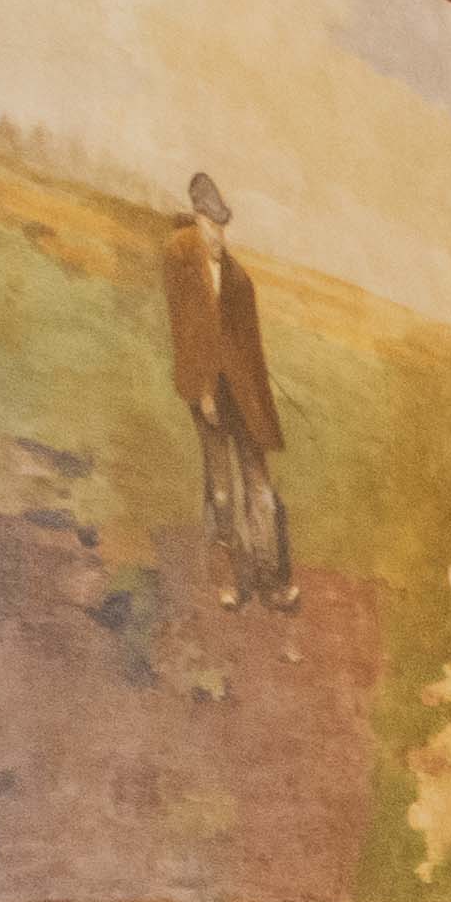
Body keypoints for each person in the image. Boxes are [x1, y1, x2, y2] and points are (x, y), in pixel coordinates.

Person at [161, 171, 286, 611]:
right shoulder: (178, 258)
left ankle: (270, 581)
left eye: (222, 227)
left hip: (243, 399)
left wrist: (261, 411)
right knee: (220, 491)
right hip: (206, 390)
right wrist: (203, 391)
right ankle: (229, 581)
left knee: (261, 491)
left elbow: (252, 355)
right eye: (211, 226)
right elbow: (187, 331)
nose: (217, 236)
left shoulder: (239, 281)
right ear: (197, 220)